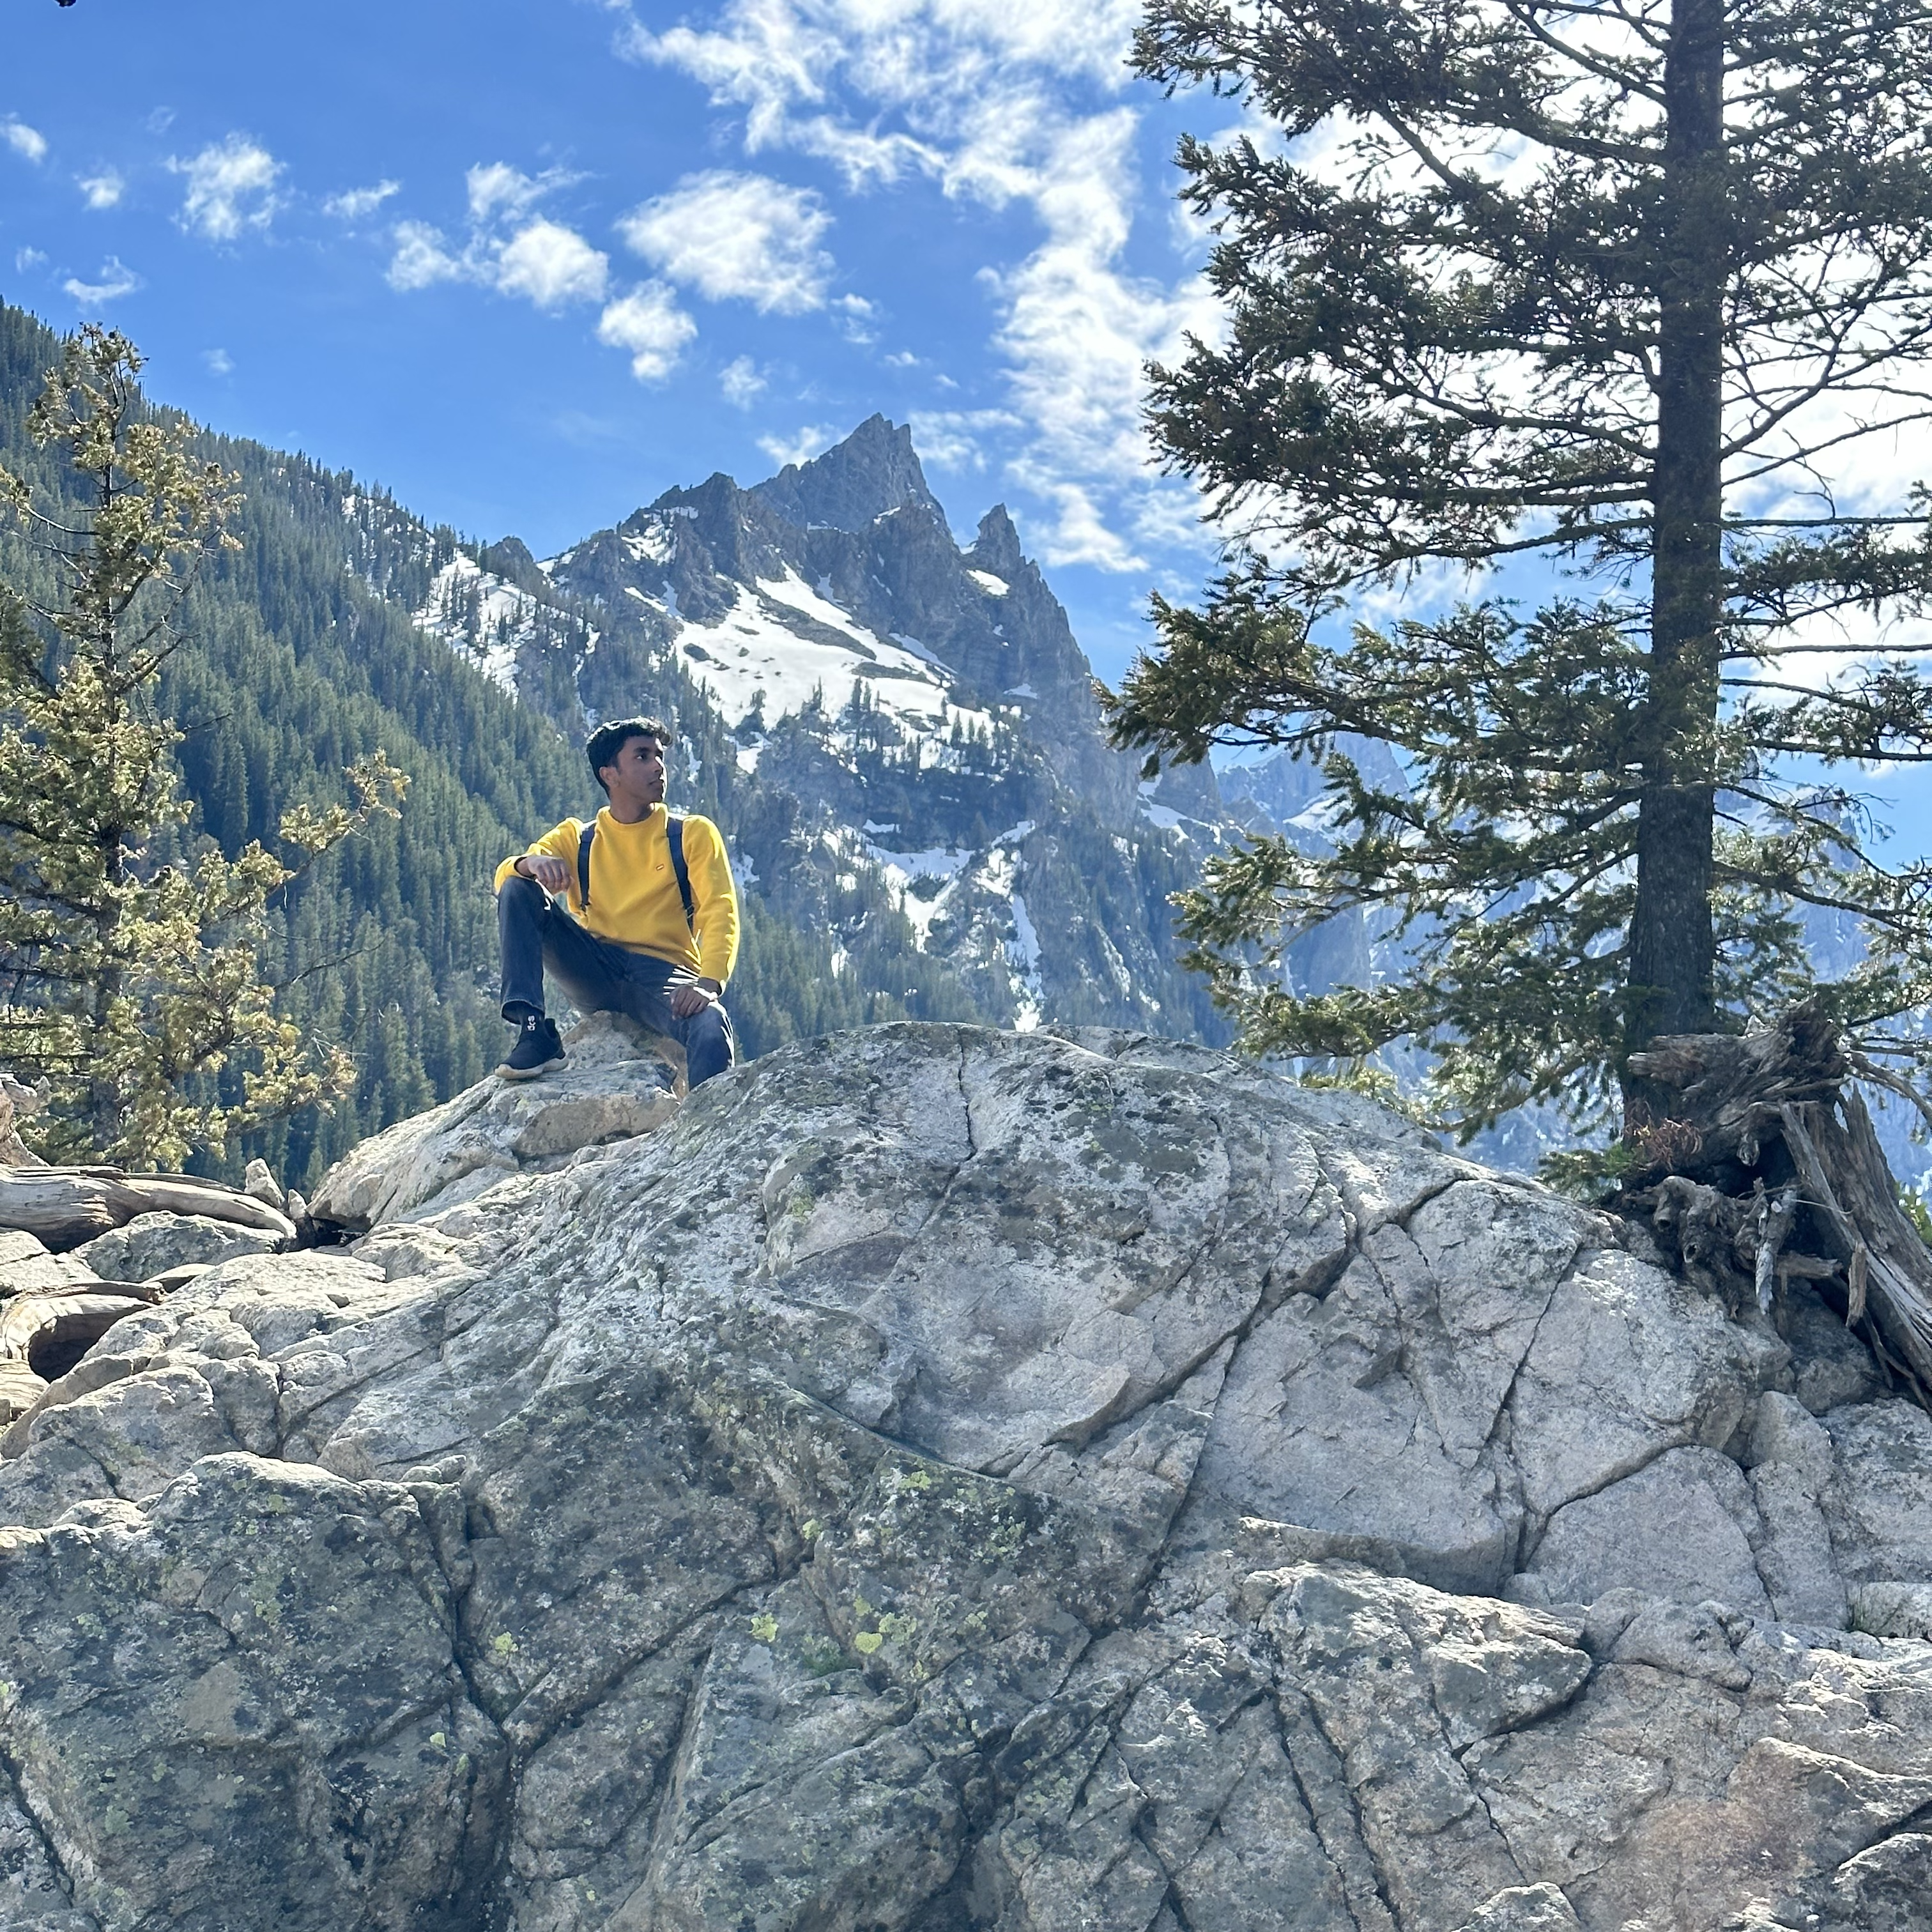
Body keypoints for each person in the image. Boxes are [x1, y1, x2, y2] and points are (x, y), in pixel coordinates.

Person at [493, 716, 739, 1085]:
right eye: (642, 756)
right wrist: (531, 863)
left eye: (659, 756)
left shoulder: (691, 834)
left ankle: (709, 1130)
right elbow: (504, 880)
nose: (658, 766)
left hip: (665, 973)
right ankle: (534, 1032)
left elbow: (721, 909)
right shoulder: (578, 838)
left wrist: (709, 983)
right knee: (519, 886)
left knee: (710, 1021)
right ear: (610, 775)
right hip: (594, 967)